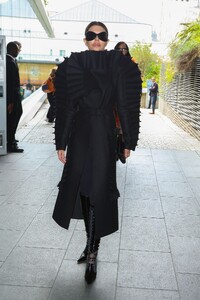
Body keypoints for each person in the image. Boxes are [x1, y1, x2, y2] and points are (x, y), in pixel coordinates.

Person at [52, 21, 142, 284]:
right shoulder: (73, 64)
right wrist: (61, 142)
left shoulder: (118, 64)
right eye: (91, 35)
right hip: (80, 135)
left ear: (107, 38)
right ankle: (90, 242)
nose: (96, 39)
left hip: (103, 135)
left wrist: (128, 140)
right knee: (82, 190)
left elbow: (126, 105)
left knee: (97, 191)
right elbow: (66, 106)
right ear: (85, 39)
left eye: (101, 35)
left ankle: (92, 252)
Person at [6, 41, 24, 152]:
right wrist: (11, 102)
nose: (19, 51)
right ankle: (10, 143)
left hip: (14, 96)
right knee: (12, 118)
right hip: (12, 97)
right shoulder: (9, 62)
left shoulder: (11, 60)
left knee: (17, 115)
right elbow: (10, 83)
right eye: (18, 49)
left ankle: (11, 138)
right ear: (12, 49)